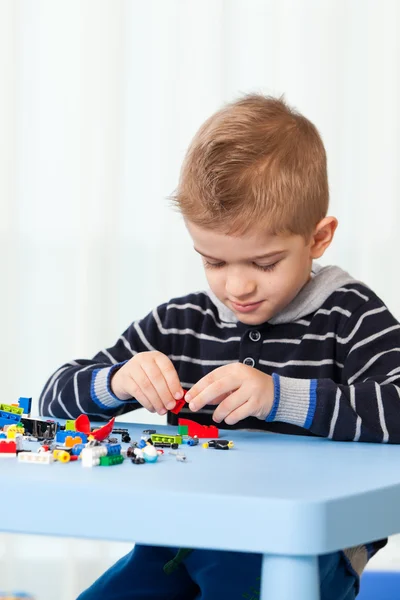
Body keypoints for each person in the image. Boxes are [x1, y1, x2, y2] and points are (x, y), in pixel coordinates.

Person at [39, 94, 400, 600]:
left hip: (303, 546)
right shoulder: (183, 321)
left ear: (318, 239)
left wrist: (280, 396)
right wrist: (116, 380)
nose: (237, 287)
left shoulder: (349, 315)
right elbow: (53, 398)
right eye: (213, 261)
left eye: (264, 263)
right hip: (179, 536)